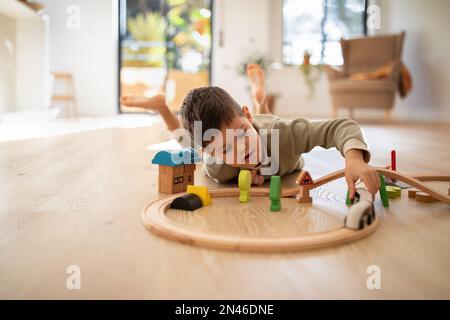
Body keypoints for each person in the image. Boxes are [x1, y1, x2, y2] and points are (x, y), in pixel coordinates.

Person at [120, 64, 380, 199]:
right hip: (242, 127)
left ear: (246, 117)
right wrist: (246, 171)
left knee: (268, 117)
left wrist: (354, 158)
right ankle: (162, 106)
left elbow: (340, 126)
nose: (241, 148)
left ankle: (259, 97)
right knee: (187, 143)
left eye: (242, 134)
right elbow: (190, 143)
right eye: (225, 149)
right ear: (212, 152)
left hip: (268, 128)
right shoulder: (217, 167)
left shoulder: (287, 135)